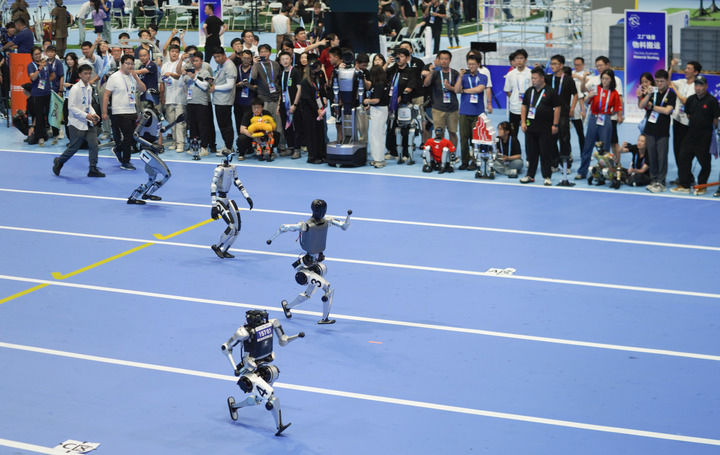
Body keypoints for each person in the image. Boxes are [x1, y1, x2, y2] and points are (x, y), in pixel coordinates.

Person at [267, 199, 352, 324]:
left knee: (307, 295)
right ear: (314, 210)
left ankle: (287, 307)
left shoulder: (327, 221)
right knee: (327, 288)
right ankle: (325, 319)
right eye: (319, 210)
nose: (322, 212)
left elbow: (344, 226)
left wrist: (348, 218)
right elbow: (284, 227)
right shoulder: (306, 225)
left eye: (323, 210)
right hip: (305, 266)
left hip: (315, 264)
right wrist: (272, 238)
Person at [221, 309, 303, 436]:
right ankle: (279, 426)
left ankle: (234, 406)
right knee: (271, 397)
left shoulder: (272, 323)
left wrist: (295, 337)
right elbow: (226, 347)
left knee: (271, 377)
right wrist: (235, 368)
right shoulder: (244, 332)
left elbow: (283, 340)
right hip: (249, 370)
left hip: (263, 364)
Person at [52, 64, 105, 178]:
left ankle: (93, 169)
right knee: (74, 147)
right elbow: (71, 107)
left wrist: (93, 114)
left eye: (89, 73)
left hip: (88, 122)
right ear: (80, 75)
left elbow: (88, 104)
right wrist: (86, 116)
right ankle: (59, 161)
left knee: (94, 145)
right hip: (76, 123)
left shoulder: (89, 88)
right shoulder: (75, 89)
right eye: (85, 73)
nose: (88, 76)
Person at [671, 75, 720, 195]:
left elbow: (715, 120)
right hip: (690, 135)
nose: (698, 88)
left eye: (701, 85)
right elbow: (688, 115)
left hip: (705, 137)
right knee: (683, 158)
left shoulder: (712, 101)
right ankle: (685, 185)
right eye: (696, 85)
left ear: (706, 86)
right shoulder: (690, 100)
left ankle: (702, 185)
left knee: (704, 162)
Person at [576, 69, 623, 180]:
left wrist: (609, 114)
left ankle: (604, 173)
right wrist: (589, 96)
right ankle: (582, 172)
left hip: (606, 119)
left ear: (611, 80)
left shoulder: (614, 93)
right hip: (593, 118)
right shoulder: (596, 89)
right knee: (588, 146)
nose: (604, 81)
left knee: (605, 148)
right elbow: (586, 101)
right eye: (603, 78)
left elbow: (617, 108)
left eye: (607, 79)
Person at [103, 54, 146, 170]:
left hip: (132, 110)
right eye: (127, 63)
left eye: (132, 64)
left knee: (131, 137)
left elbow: (143, 89)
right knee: (127, 136)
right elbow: (106, 95)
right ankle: (126, 162)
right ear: (121, 64)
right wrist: (104, 112)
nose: (130, 66)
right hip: (119, 111)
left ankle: (118, 149)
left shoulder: (132, 77)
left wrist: (136, 77)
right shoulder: (114, 77)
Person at [519, 67, 560, 185]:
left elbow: (557, 108)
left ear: (542, 78)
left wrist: (555, 124)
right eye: (532, 78)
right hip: (530, 127)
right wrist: (523, 122)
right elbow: (524, 106)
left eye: (535, 78)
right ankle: (530, 175)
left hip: (545, 128)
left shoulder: (551, 91)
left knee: (545, 153)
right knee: (531, 153)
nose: (533, 80)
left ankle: (547, 176)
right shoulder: (529, 91)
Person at [638, 69, 675, 193]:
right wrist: (648, 95)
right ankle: (653, 180)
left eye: (662, 81)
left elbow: (667, 111)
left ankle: (661, 182)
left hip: (662, 131)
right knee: (652, 157)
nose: (659, 84)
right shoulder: (652, 92)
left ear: (667, 81)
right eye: (657, 81)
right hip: (649, 130)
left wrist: (652, 107)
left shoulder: (671, 94)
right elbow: (641, 106)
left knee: (661, 157)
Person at [582, 56, 623, 157]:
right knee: (592, 142)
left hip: (609, 117)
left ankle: (616, 164)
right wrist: (583, 79)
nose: (598, 68)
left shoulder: (616, 80)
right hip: (594, 115)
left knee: (612, 142)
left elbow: (619, 98)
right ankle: (596, 163)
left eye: (600, 65)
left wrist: (619, 115)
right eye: (597, 66)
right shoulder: (594, 80)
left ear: (607, 65)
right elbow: (584, 90)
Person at [669, 59, 701, 185]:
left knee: (685, 152)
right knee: (677, 150)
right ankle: (684, 176)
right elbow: (668, 81)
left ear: (696, 72)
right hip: (677, 120)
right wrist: (671, 66)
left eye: (689, 69)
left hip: (688, 123)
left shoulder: (696, 86)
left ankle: (686, 177)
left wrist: (674, 89)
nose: (685, 70)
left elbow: (685, 101)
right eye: (686, 68)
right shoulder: (681, 82)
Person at [386, 47, 419, 162]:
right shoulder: (392, 69)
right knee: (391, 127)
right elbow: (381, 76)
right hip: (391, 104)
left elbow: (411, 86)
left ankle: (405, 152)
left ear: (407, 58)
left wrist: (401, 95)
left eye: (402, 56)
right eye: (397, 56)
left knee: (404, 128)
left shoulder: (411, 71)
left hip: (404, 104)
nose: (399, 58)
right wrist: (387, 64)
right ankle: (392, 151)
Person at [455, 53, 487, 170]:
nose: (471, 66)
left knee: (475, 139)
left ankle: (474, 161)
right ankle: (464, 161)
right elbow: (457, 90)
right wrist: (460, 77)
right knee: (463, 139)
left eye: (473, 64)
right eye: (469, 64)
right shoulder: (463, 77)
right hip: (464, 111)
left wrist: (465, 90)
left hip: (478, 112)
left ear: (478, 64)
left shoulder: (483, 76)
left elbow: (479, 89)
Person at [547, 55, 577, 171]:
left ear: (561, 65)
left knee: (564, 139)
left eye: (555, 64)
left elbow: (575, 94)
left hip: (563, 113)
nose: (552, 66)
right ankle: (554, 164)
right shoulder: (548, 78)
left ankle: (566, 165)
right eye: (551, 64)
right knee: (551, 139)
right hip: (550, 113)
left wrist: (572, 108)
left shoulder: (568, 79)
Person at [424, 50, 459, 149]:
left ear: (450, 60)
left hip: (453, 108)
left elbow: (458, 90)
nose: (444, 61)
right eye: (442, 59)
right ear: (439, 60)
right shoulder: (435, 73)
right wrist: (431, 72)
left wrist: (450, 88)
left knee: (453, 132)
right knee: (439, 133)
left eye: (446, 59)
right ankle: (439, 155)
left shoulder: (455, 73)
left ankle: (452, 154)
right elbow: (426, 84)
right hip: (438, 108)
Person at [251, 44, 283, 153]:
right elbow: (253, 77)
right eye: (261, 52)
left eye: (266, 51)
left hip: (276, 98)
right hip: (264, 99)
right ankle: (265, 147)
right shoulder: (257, 65)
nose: (264, 53)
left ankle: (280, 145)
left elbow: (279, 79)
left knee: (278, 125)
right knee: (265, 124)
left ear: (270, 52)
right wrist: (254, 64)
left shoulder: (276, 64)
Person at [299, 57, 328, 164]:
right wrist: (317, 109)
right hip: (309, 110)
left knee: (320, 131)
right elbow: (307, 99)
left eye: (319, 68)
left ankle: (322, 154)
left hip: (319, 108)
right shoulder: (305, 82)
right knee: (312, 133)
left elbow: (322, 89)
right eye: (316, 69)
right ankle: (312, 156)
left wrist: (324, 97)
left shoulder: (319, 76)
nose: (318, 70)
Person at [183, 51, 212, 157]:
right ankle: (194, 146)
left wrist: (194, 77)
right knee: (192, 126)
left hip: (201, 103)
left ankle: (204, 147)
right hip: (190, 102)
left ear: (201, 61)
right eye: (193, 61)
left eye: (196, 61)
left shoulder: (205, 73)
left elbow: (205, 86)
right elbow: (184, 82)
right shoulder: (189, 72)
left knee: (202, 126)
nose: (194, 63)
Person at [210, 48, 238, 156]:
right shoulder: (221, 65)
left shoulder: (229, 66)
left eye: (218, 56)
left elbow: (230, 85)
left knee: (226, 125)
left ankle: (229, 147)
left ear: (224, 55)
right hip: (219, 100)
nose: (216, 59)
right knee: (222, 124)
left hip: (225, 101)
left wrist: (215, 87)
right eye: (215, 57)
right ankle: (228, 145)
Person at [161, 44, 187, 153]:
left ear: (179, 53)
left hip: (181, 97)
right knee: (171, 122)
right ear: (169, 52)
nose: (174, 53)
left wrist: (171, 74)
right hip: (169, 98)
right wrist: (162, 96)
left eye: (176, 51)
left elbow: (179, 75)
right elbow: (162, 82)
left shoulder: (183, 64)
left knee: (180, 123)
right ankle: (174, 141)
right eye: (172, 51)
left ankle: (181, 143)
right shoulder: (164, 66)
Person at [363, 65, 389, 168]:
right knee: (375, 135)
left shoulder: (379, 85)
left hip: (379, 111)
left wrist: (367, 101)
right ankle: (376, 158)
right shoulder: (379, 84)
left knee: (377, 135)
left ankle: (379, 159)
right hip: (377, 110)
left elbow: (377, 100)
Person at [278, 51, 302, 158]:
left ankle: (297, 149)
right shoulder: (282, 73)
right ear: (280, 61)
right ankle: (290, 147)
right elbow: (282, 90)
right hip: (284, 104)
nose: (285, 61)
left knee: (296, 127)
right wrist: (279, 105)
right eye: (283, 59)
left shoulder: (295, 72)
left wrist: (295, 104)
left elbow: (299, 89)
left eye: (287, 59)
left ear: (291, 60)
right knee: (286, 127)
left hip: (293, 105)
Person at [503, 49, 531, 138]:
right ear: (514, 60)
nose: (519, 60)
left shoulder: (530, 73)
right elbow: (507, 90)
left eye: (521, 58)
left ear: (525, 60)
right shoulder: (510, 74)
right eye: (517, 58)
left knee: (529, 134)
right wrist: (513, 98)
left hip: (528, 109)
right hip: (514, 109)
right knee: (513, 134)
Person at [233, 49, 255, 158]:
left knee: (249, 125)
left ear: (251, 59)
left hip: (250, 103)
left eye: (248, 58)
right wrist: (238, 85)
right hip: (238, 102)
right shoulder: (236, 69)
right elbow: (232, 84)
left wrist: (250, 86)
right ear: (241, 58)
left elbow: (257, 86)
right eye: (244, 58)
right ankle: (241, 145)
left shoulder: (254, 69)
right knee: (239, 124)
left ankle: (250, 146)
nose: (246, 60)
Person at [27, 46, 51, 146]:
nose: (38, 56)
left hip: (47, 93)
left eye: (39, 53)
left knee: (46, 114)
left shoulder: (46, 63)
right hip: (37, 94)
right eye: (35, 54)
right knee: (39, 116)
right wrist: (39, 68)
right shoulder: (31, 65)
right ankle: (40, 137)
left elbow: (51, 75)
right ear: (32, 56)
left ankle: (44, 134)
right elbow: (33, 78)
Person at [45, 45, 64, 143]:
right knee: (48, 110)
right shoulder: (44, 63)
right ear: (46, 53)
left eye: (52, 52)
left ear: (55, 53)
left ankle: (58, 130)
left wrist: (60, 89)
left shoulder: (58, 63)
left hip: (56, 90)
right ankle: (50, 128)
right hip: (47, 90)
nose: (50, 53)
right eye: (49, 52)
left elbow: (61, 76)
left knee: (56, 110)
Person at [570, 56, 587, 153]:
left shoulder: (587, 74)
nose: (576, 67)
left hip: (580, 107)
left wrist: (577, 77)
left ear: (583, 65)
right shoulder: (570, 74)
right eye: (575, 65)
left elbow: (588, 82)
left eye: (578, 65)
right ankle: (567, 154)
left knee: (580, 133)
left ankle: (584, 152)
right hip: (568, 108)